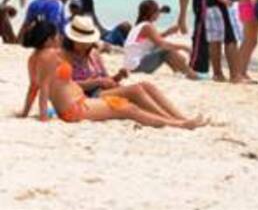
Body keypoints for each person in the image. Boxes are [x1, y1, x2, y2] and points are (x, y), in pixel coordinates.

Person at [21, 20, 207, 129]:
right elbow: (44, 87)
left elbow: (34, 87)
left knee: (127, 106)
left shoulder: (33, 58)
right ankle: (179, 124)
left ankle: (178, 121)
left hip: (78, 105)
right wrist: (43, 118)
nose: (58, 38)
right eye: (55, 36)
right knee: (128, 109)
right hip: (77, 107)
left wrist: (25, 113)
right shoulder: (52, 55)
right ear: (48, 39)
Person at [121, 0, 199, 79]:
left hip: (130, 66)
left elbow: (151, 40)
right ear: (152, 13)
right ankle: (191, 74)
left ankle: (178, 71)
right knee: (165, 50)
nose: (159, 14)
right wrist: (184, 47)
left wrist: (167, 32)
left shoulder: (139, 26)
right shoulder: (147, 26)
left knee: (163, 49)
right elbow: (162, 44)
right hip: (137, 67)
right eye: (157, 11)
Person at [62, 15, 128, 96]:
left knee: (141, 88)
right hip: (88, 96)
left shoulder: (94, 54)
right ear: (71, 40)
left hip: (103, 91)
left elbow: (106, 79)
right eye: (80, 41)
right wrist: (96, 82)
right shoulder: (65, 56)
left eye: (87, 41)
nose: (85, 44)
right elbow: (66, 85)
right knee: (135, 91)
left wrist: (119, 76)